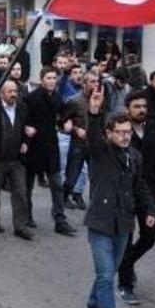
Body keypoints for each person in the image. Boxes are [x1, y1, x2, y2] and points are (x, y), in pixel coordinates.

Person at [84, 87, 155, 308]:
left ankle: (94, 302)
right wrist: (93, 112)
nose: (126, 137)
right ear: (109, 134)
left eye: (128, 132)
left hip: (124, 225)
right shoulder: (101, 152)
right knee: (105, 275)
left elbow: (140, 186)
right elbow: (92, 137)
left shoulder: (135, 157)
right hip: (100, 223)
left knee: (109, 272)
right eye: (120, 133)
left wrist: (149, 209)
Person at [116, 90, 155, 305]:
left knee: (150, 236)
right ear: (128, 108)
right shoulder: (121, 130)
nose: (142, 110)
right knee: (126, 240)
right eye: (137, 107)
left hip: (149, 192)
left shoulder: (154, 127)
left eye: (144, 107)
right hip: (127, 192)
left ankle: (125, 265)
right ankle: (125, 284)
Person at [25, 67, 77, 236]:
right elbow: (22, 119)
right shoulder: (31, 98)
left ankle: (60, 220)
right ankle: (26, 216)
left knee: (57, 185)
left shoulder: (56, 97)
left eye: (54, 78)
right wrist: (26, 130)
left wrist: (66, 123)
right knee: (27, 186)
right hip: (33, 147)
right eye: (48, 77)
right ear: (42, 80)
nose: (52, 81)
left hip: (51, 146)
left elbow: (63, 114)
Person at [0, 80, 34, 241]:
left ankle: (20, 226)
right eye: (10, 91)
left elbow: (28, 128)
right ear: (1, 94)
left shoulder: (22, 107)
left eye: (15, 91)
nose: (14, 94)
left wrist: (26, 143)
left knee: (20, 192)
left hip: (17, 159)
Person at [61, 71, 99, 211]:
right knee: (72, 176)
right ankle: (63, 198)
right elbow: (63, 121)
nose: (95, 85)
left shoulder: (100, 99)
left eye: (97, 81)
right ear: (84, 83)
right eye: (92, 82)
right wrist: (76, 129)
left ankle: (94, 204)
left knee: (96, 177)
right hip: (78, 143)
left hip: (95, 143)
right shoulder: (74, 100)